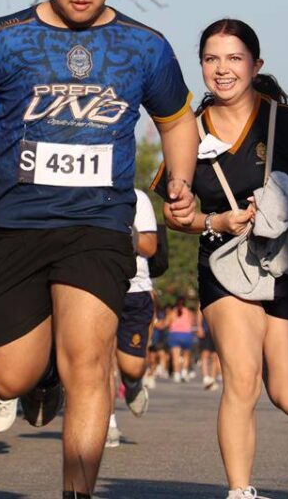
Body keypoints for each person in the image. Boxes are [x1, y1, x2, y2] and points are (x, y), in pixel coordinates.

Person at [0, 0, 198, 499]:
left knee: (90, 363)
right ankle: (41, 373)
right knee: (9, 373)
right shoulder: (4, 39)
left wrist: (178, 178)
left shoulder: (143, 47)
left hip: (97, 226)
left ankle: (77, 492)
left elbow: (178, 120)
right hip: (15, 225)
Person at [154, 18, 288, 499]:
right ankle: (239, 490)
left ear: (256, 65)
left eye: (234, 59)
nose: (222, 69)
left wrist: (283, 203)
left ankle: (282, 352)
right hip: (225, 264)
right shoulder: (186, 130)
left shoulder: (285, 122)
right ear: (202, 67)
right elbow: (177, 215)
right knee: (241, 379)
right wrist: (214, 222)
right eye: (212, 59)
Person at [106, 189, 158, 449]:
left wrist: (119, 228)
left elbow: (149, 246)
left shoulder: (138, 198)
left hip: (134, 292)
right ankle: (108, 422)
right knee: (101, 361)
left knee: (131, 366)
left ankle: (133, 380)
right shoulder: (83, 194)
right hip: (98, 287)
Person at [166, 297, 196, 382]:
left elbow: (166, 323)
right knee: (186, 355)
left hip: (175, 335)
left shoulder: (172, 312)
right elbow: (193, 322)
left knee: (176, 356)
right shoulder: (189, 312)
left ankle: (177, 374)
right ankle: (184, 372)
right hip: (186, 335)